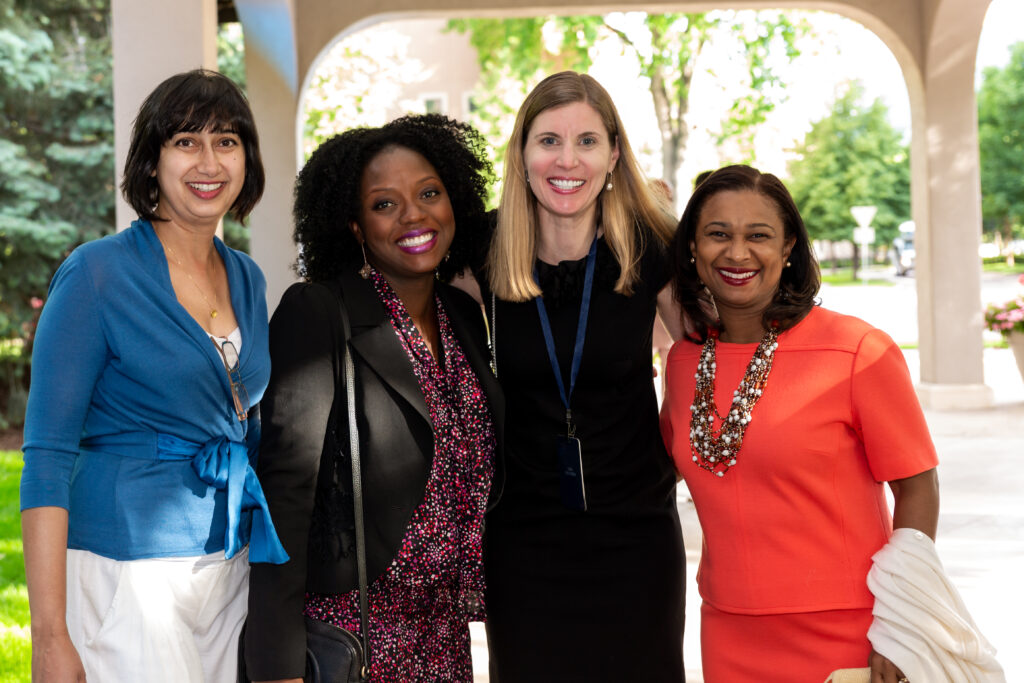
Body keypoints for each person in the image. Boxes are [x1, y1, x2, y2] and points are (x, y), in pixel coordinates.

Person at [20, 69, 286, 683]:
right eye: (185, 141)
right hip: (126, 569)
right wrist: (50, 636)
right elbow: (48, 457)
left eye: (226, 140)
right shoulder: (96, 275)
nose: (208, 160)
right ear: (152, 161)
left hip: (227, 561)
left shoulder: (246, 276)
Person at [244, 114, 502, 683]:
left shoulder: (462, 315)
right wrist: (277, 666)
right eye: (385, 204)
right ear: (356, 226)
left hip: (444, 639)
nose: (414, 215)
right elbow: (283, 500)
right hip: (355, 639)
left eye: (429, 193)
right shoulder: (319, 313)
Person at [659, 165, 940, 682]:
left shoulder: (858, 351)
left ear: (788, 247)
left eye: (758, 236)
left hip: (850, 634)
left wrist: (904, 624)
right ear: (693, 251)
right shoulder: (682, 361)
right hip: (728, 631)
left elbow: (918, 486)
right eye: (718, 234)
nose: (737, 253)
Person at [474, 70, 686, 681]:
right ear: (521, 153)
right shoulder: (481, 250)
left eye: (588, 141)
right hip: (523, 539)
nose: (568, 160)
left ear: (614, 153)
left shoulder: (653, 248)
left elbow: (706, 360)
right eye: (549, 141)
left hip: (636, 536)